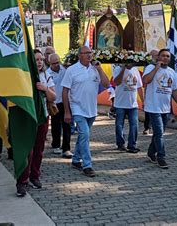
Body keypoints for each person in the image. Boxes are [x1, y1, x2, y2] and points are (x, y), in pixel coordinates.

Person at [62, 46, 110, 177]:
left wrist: (100, 69)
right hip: (77, 108)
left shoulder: (95, 69)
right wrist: (67, 111)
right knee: (85, 134)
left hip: (91, 109)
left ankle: (76, 159)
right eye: (86, 53)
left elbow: (106, 84)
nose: (89, 55)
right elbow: (65, 91)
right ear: (79, 55)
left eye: (90, 53)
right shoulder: (72, 70)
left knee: (83, 136)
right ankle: (87, 165)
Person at [16, 50, 56, 196]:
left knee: (39, 149)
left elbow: (53, 96)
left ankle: (35, 176)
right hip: (28, 118)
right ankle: (22, 181)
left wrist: (44, 89)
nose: (39, 62)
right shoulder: (24, 76)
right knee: (27, 150)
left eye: (41, 59)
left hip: (42, 117)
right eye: (36, 59)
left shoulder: (45, 75)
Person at [142, 48, 177, 169]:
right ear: (158, 57)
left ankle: (151, 153)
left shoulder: (171, 72)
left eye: (167, 56)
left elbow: (175, 90)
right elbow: (146, 80)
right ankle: (161, 157)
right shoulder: (150, 68)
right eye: (163, 56)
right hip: (153, 107)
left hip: (166, 108)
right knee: (159, 133)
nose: (165, 58)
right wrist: (156, 67)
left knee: (159, 133)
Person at [113, 63, 144, 153]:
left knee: (134, 125)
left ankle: (132, 145)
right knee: (119, 125)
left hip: (133, 104)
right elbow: (117, 82)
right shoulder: (118, 69)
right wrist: (123, 69)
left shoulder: (135, 70)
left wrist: (143, 101)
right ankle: (120, 144)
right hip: (120, 103)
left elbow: (139, 87)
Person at [46, 53, 73, 159]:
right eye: (54, 63)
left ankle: (66, 148)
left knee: (67, 125)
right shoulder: (47, 73)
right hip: (55, 102)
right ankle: (56, 144)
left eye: (58, 62)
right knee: (56, 125)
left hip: (65, 101)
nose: (56, 65)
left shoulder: (65, 70)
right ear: (49, 63)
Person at [143, 49, 159, 135]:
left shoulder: (161, 66)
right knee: (148, 110)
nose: (158, 57)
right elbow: (146, 80)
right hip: (150, 91)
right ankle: (147, 127)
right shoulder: (148, 66)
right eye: (156, 55)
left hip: (158, 92)